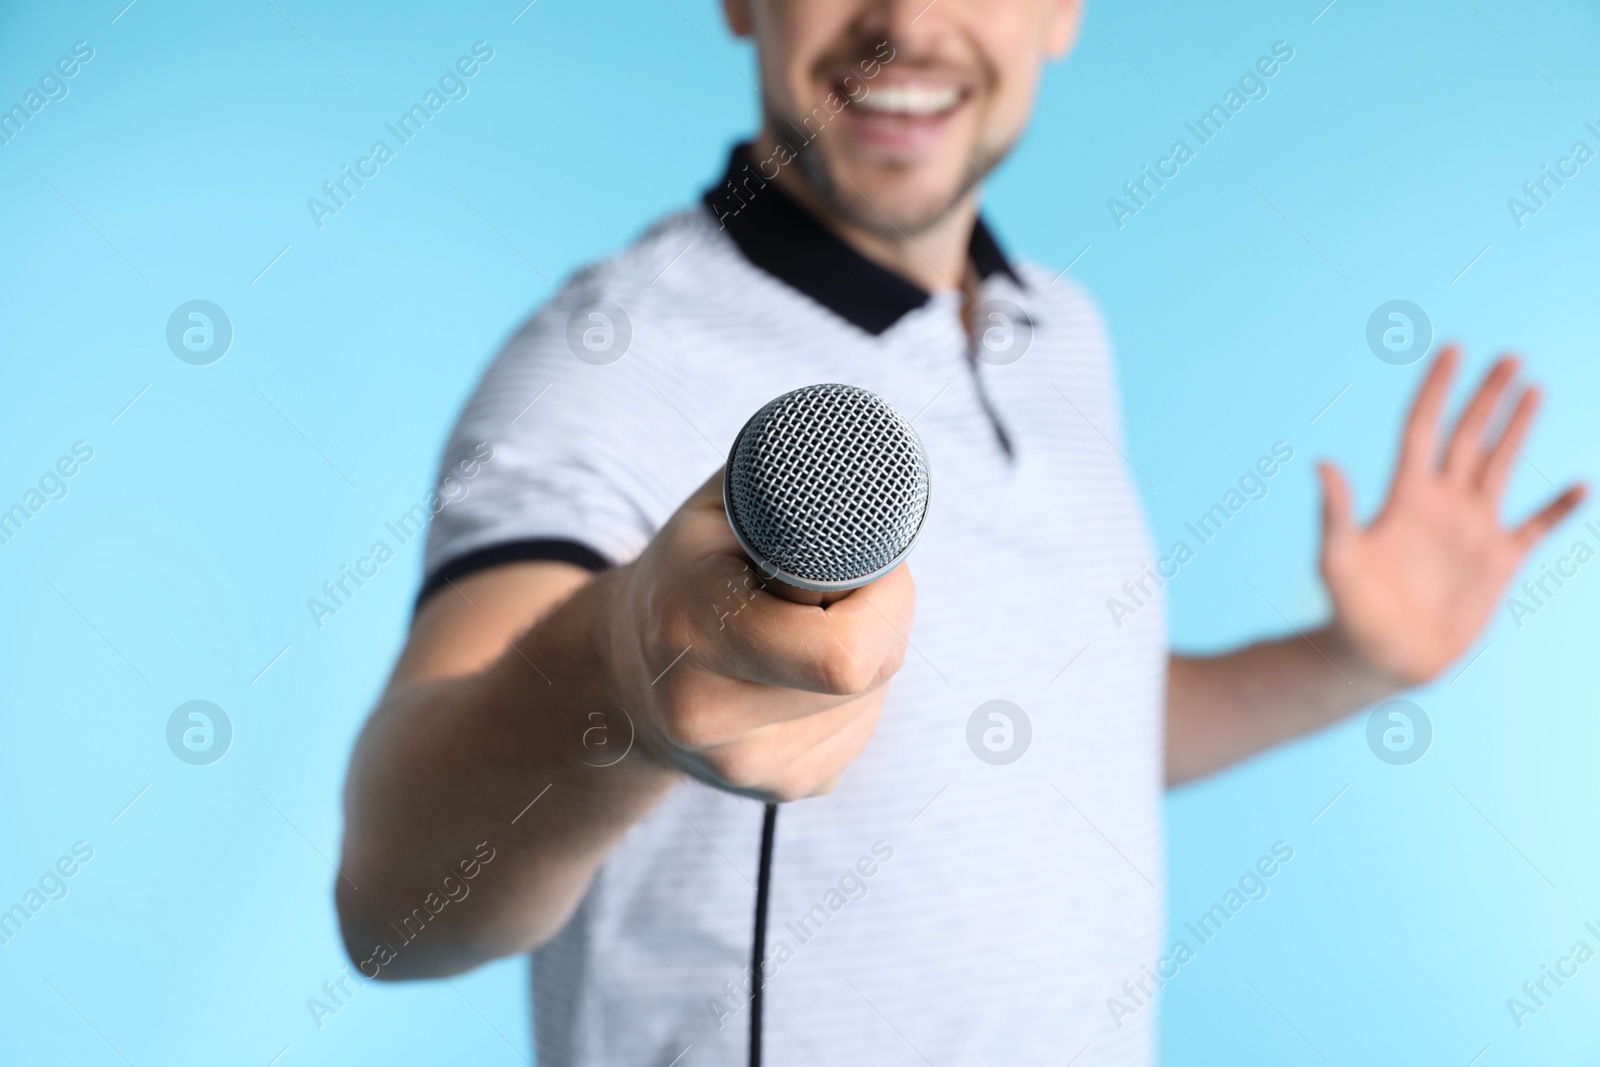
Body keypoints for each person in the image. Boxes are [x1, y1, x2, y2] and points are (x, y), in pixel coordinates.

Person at [334, 0, 1585, 1062]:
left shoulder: (1061, 332)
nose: (909, 23)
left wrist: (1347, 665)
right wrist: (618, 672)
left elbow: (1055, 734)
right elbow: (391, 898)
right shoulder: (605, 363)